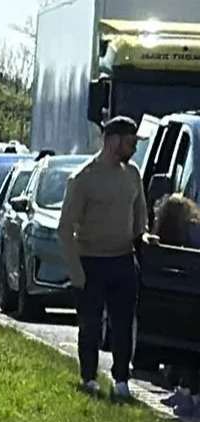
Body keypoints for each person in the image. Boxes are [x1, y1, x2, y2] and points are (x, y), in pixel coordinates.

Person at [58, 116, 148, 400]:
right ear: (113, 141)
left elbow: (140, 215)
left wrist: (143, 238)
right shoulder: (84, 178)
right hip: (91, 261)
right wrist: (76, 272)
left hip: (123, 260)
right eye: (130, 142)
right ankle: (88, 377)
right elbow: (65, 228)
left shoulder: (132, 174)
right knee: (91, 325)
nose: (134, 148)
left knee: (123, 324)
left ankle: (121, 380)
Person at [152, 194, 200, 418]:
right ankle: (186, 391)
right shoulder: (191, 231)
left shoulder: (185, 234)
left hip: (190, 295)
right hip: (192, 294)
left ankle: (189, 394)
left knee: (188, 347)